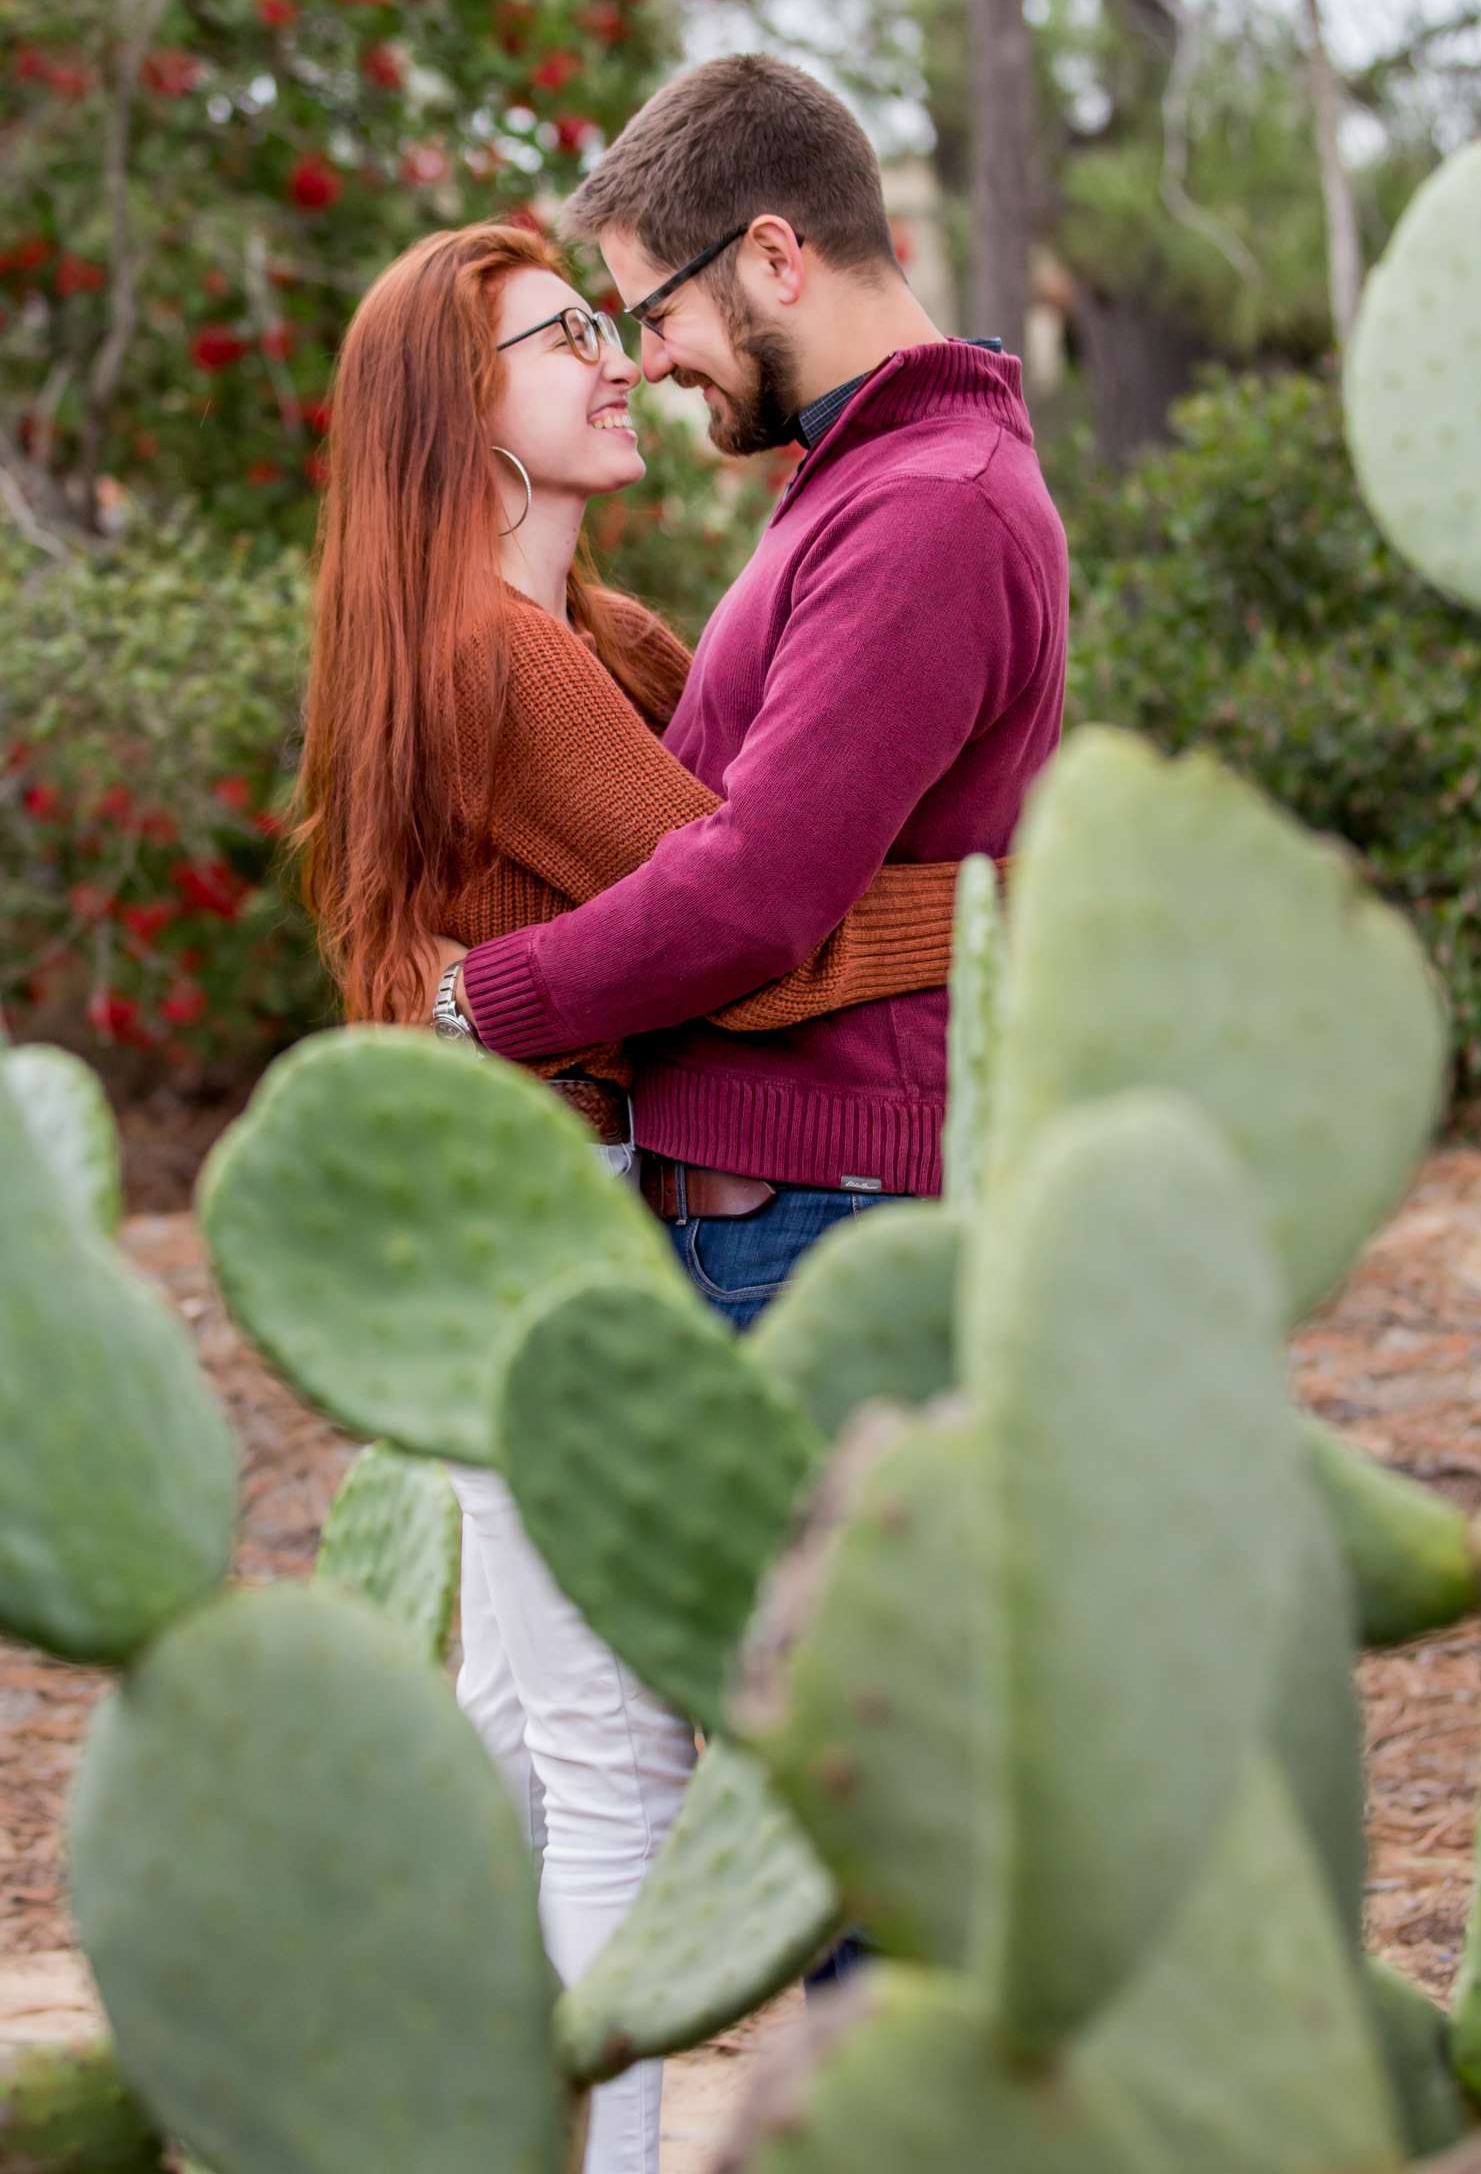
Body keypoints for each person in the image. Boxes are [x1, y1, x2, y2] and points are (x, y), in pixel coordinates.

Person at [290, 214, 971, 2174]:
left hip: (479, 1204)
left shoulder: (582, 638)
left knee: (514, 1714)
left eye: (610, 322)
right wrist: (1015, 906)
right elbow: (758, 924)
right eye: (557, 338)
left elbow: (759, 836)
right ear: (465, 420)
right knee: (606, 1750)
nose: (613, 359)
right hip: (520, 1212)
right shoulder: (502, 659)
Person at [432, 55, 1069, 1330]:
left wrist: (472, 1002)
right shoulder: (861, 481)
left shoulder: (924, 508)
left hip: (816, 1222)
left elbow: (757, 888)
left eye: (656, 310)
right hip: (787, 1213)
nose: (650, 362)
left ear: (774, 257)